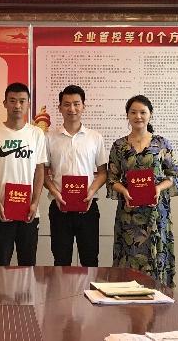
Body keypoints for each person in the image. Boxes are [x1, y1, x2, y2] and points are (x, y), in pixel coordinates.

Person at [106, 95, 178, 287]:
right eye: (133, 112)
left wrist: (158, 187)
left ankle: (157, 298)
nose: (138, 116)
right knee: (129, 255)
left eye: (142, 112)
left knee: (155, 256)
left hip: (155, 212)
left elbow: (174, 175)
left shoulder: (161, 143)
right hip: (129, 213)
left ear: (150, 114)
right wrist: (124, 190)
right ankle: (128, 300)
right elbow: (112, 178)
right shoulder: (119, 146)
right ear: (127, 115)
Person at [0, 82, 47, 266]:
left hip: (29, 213)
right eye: (12, 100)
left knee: (27, 265)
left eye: (22, 101)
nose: (17, 105)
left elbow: (40, 170)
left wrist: (35, 202)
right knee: (0, 266)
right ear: (5, 103)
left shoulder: (36, 134)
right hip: (1, 213)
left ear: (28, 104)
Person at [44, 85, 107, 266]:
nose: (72, 108)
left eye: (76, 104)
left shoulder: (95, 137)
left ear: (83, 107)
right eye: (67, 104)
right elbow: (43, 173)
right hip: (59, 207)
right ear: (60, 108)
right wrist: (55, 192)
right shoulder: (49, 138)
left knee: (90, 260)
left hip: (88, 207)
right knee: (61, 261)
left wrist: (91, 190)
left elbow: (103, 172)